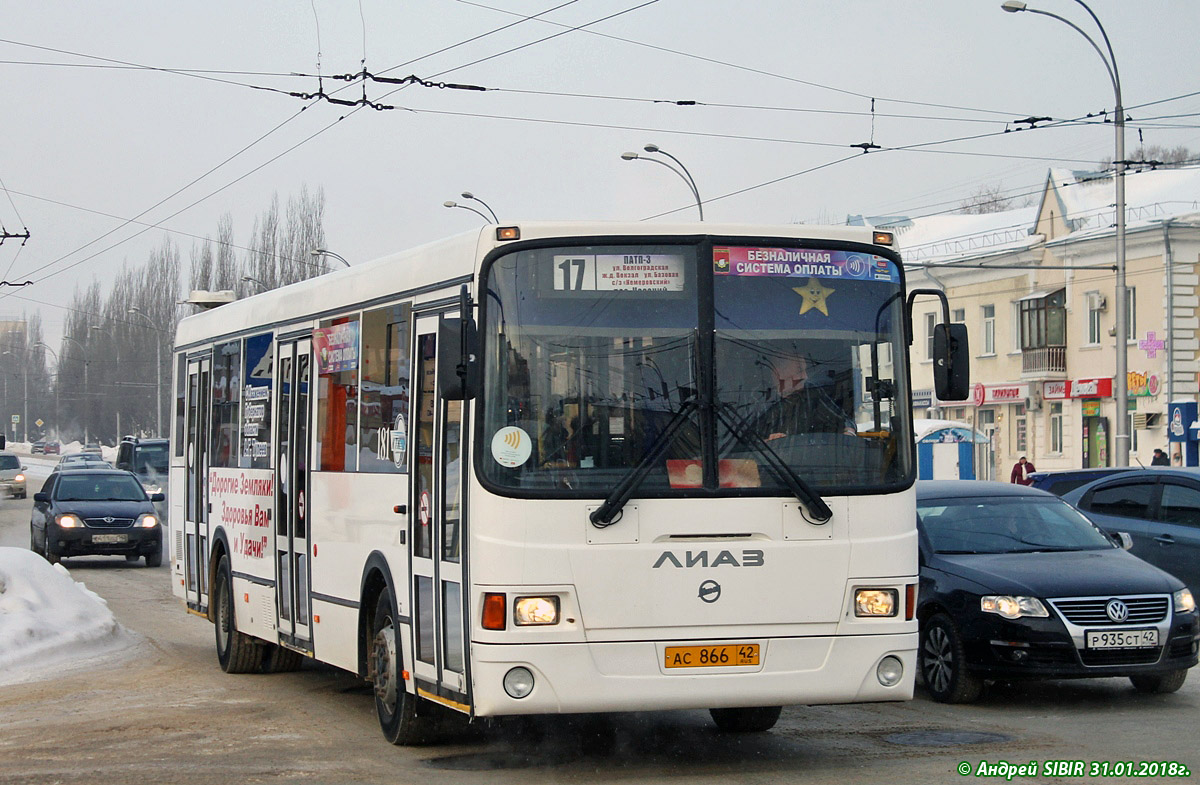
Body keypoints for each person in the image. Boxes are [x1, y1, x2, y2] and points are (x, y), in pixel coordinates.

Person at [756, 353, 856, 440]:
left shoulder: (812, 396)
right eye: (799, 369)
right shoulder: (755, 399)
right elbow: (743, 441)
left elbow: (844, 421)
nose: (805, 376)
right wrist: (767, 442)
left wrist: (848, 433)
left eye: (804, 370)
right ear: (778, 372)